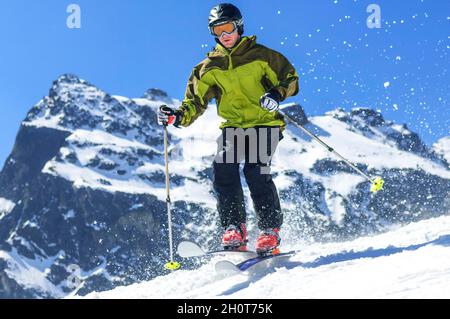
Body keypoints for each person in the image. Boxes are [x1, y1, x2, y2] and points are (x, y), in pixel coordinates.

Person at [158, 3, 299, 255]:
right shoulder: (208, 67)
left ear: (239, 26)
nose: (224, 35)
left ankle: (269, 230)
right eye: (218, 30)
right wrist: (177, 116)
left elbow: (289, 78)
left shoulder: (262, 55)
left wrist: (276, 93)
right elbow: (194, 102)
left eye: (228, 28)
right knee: (223, 168)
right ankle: (235, 228)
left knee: (256, 171)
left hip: (264, 123)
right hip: (233, 126)